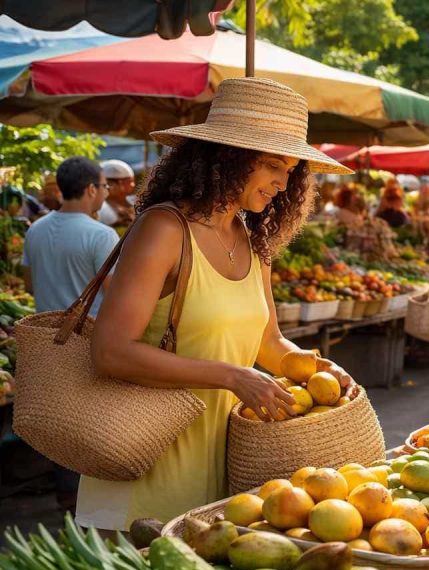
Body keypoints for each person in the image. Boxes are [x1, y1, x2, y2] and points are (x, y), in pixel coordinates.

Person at [76, 78, 355, 531]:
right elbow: (109, 351)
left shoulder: (251, 239)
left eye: (291, 172)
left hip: (221, 471)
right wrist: (231, 376)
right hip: (142, 466)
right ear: (229, 158)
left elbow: (268, 343)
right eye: (273, 167)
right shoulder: (163, 230)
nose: (283, 185)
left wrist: (316, 366)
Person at [22, 156, 119, 512]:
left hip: (46, 340)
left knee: (59, 423)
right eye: (105, 187)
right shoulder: (101, 234)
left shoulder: (36, 228)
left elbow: (30, 282)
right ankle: (88, 502)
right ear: (92, 188)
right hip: (88, 341)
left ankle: (67, 497)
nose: (105, 194)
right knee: (88, 426)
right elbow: (117, 295)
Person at [97, 160, 136, 229]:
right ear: (120, 183)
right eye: (130, 181)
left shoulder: (133, 202)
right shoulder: (100, 210)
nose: (133, 185)